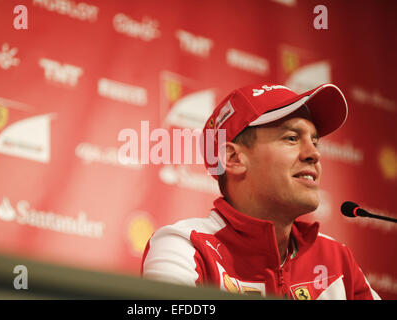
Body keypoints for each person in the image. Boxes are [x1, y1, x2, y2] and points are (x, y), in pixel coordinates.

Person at [141, 83, 381, 300]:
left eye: (315, 141)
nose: (314, 154)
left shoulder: (336, 259)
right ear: (233, 158)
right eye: (291, 138)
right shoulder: (185, 246)